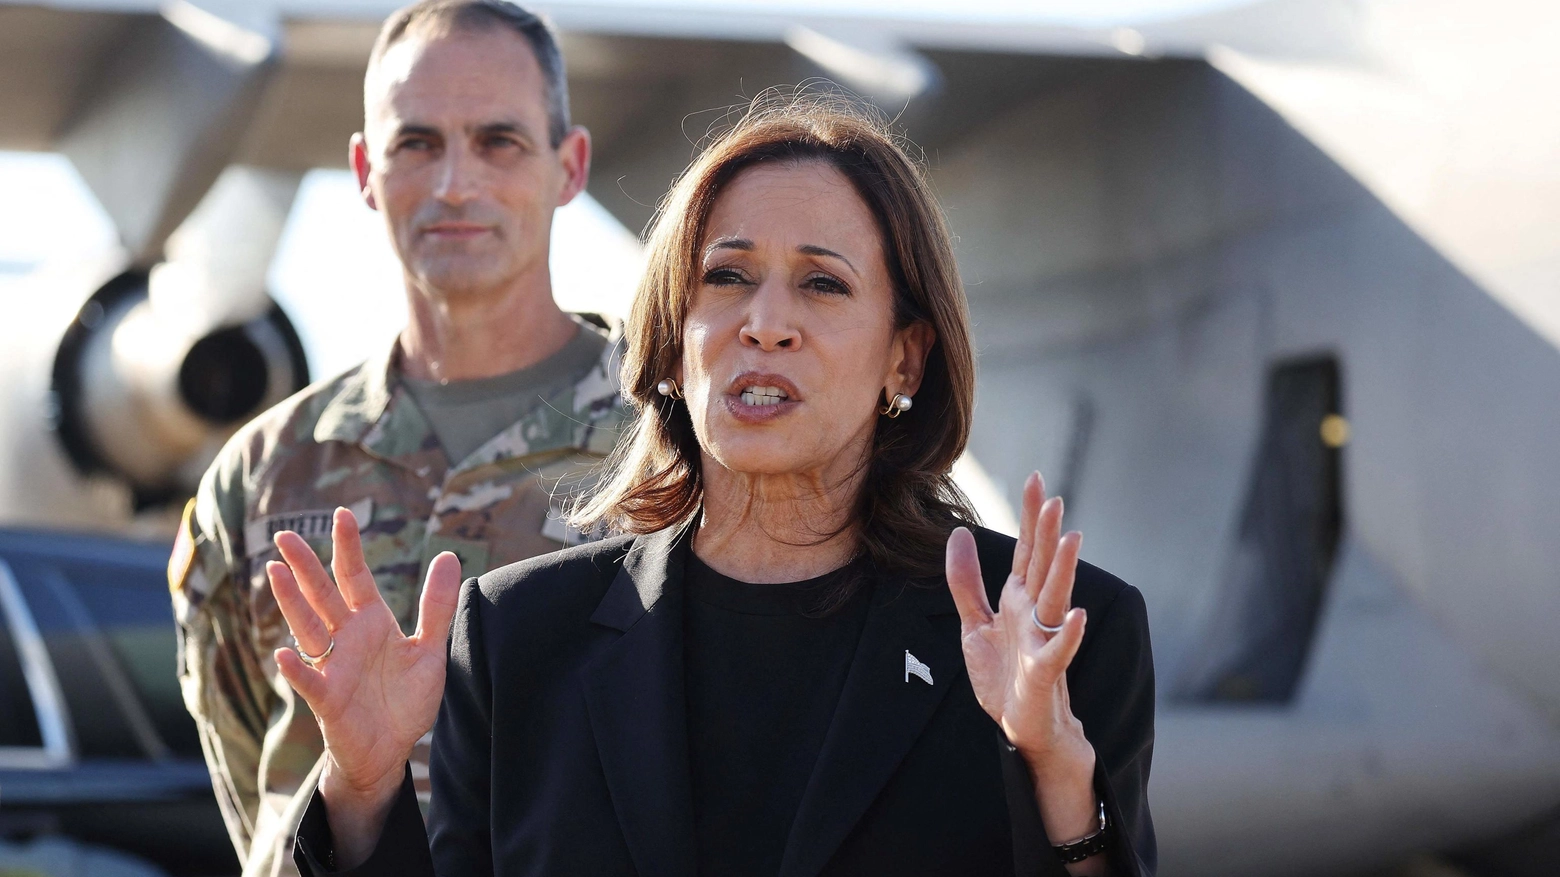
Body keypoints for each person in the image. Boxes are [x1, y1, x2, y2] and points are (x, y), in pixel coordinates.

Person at [267, 92, 1156, 876]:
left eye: (822, 284)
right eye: (725, 277)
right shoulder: (515, 639)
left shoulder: (1057, 637)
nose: (766, 324)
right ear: (673, 338)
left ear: (905, 356)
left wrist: (1059, 777)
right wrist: (364, 789)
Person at [168, 3, 626, 875]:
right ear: (364, 169)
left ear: (569, 168)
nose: (456, 181)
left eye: (500, 141)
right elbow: (248, 774)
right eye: (416, 143)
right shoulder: (261, 473)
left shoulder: (672, 452)